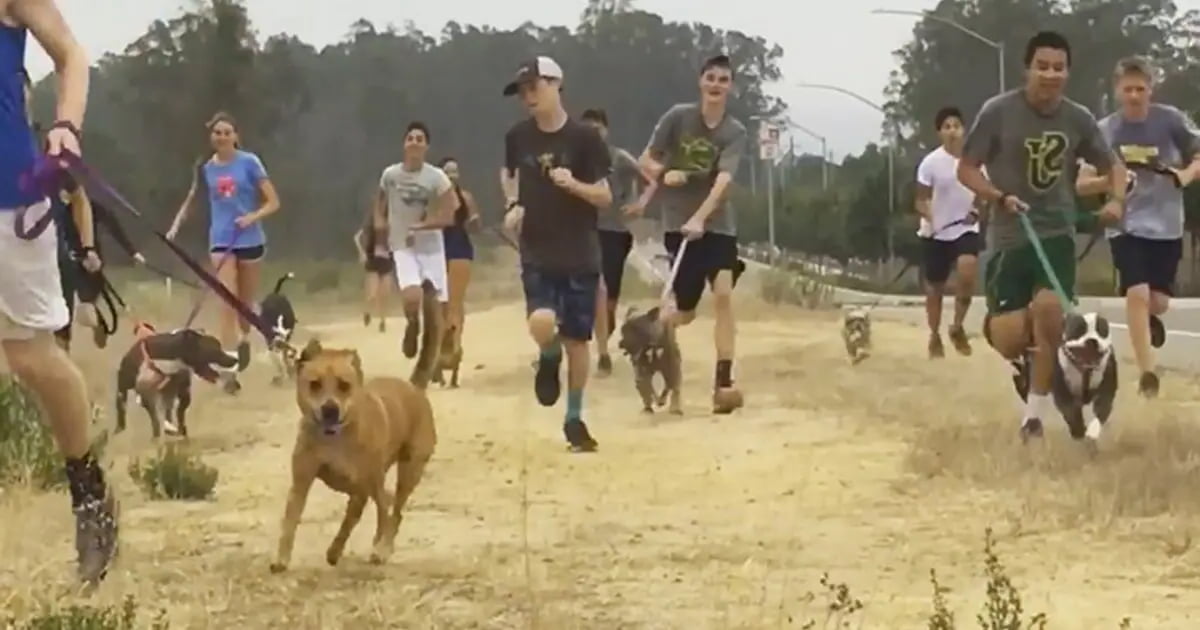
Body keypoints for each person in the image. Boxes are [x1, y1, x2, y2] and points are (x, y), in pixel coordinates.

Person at [957, 31, 1127, 442]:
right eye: (1043, 66)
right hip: (1010, 237)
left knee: (1050, 311)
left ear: (1068, 72)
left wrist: (1116, 201)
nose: (1050, 75)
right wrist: (996, 196)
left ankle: (1033, 418)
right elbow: (967, 168)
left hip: (1056, 235)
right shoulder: (998, 112)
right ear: (1027, 68)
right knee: (1014, 337)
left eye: (1059, 67)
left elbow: (1114, 165)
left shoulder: (1079, 118)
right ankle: (1026, 356)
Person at [1, 0, 117, 587]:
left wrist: (66, 125)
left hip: (12, 202)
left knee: (32, 358)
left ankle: (89, 495)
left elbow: (71, 54)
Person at [500, 56, 612, 452]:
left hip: (580, 253)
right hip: (537, 249)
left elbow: (605, 195)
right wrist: (512, 205)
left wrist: (575, 185)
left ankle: (574, 417)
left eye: (535, 87)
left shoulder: (585, 139)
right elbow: (509, 174)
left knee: (578, 341)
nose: (529, 97)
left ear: (556, 84)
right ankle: (548, 357)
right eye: (523, 91)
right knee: (542, 322)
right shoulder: (517, 137)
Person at [1076, 56, 1200, 398]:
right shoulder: (1105, 131)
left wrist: (1184, 176)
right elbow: (1082, 184)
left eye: (1140, 89)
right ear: (1117, 90)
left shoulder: (1171, 121)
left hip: (1167, 225)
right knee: (1137, 293)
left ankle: (1147, 320)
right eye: (1128, 89)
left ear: (1151, 90)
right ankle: (1148, 373)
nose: (1134, 96)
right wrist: (1111, 180)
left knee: (1157, 303)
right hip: (1127, 224)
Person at [639, 54, 748, 414]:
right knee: (682, 312)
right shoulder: (677, 117)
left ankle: (723, 379)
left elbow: (723, 182)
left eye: (724, 80)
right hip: (678, 226)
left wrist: (702, 217)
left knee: (723, 294)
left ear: (730, 87)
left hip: (717, 226)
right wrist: (664, 172)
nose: (717, 85)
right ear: (701, 82)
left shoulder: (735, 132)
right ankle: (653, 343)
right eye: (711, 78)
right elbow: (646, 160)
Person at [167, 112, 281, 394]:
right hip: (221, 241)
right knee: (227, 302)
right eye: (217, 132)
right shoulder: (206, 168)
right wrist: (174, 227)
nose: (222, 137)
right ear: (211, 136)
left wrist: (253, 217)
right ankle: (229, 370)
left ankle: (243, 340)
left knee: (244, 307)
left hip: (250, 238)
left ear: (236, 136)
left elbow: (274, 202)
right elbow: (192, 200)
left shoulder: (250, 162)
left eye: (227, 132)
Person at [374, 121, 456, 378]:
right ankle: (412, 324)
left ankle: (434, 355)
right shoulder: (390, 175)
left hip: (430, 246)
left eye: (420, 139)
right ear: (404, 144)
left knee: (439, 306)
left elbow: (449, 214)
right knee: (411, 296)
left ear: (426, 146)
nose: (415, 143)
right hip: (402, 245)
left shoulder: (437, 178)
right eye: (410, 138)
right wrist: (380, 235)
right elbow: (379, 206)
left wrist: (423, 225)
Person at [579, 107, 652, 376]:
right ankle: (600, 351)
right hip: (585, 230)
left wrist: (639, 205)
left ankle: (603, 342)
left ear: (606, 131)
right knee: (590, 290)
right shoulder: (576, 160)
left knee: (608, 300)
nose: (593, 134)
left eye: (597, 129)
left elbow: (650, 180)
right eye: (588, 129)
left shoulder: (619, 158)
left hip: (614, 232)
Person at [915, 106, 983, 359]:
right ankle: (934, 335)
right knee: (935, 288)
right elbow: (920, 200)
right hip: (936, 233)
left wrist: (976, 210)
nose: (953, 131)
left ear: (964, 130)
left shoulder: (975, 160)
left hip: (965, 228)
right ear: (940, 133)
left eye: (956, 125)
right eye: (947, 127)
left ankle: (958, 325)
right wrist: (930, 219)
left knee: (967, 270)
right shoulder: (930, 164)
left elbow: (983, 192)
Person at [437, 156, 481, 362]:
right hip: (447, 249)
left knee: (451, 302)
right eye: (449, 170)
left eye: (454, 171)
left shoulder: (462, 198)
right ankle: (451, 345)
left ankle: (451, 345)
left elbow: (474, 225)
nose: (452, 174)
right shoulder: (461, 197)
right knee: (447, 302)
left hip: (453, 248)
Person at [353, 205, 394, 333]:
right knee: (372, 293)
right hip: (373, 260)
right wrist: (362, 252)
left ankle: (383, 321)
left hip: (387, 261)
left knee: (385, 294)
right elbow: (357, 237)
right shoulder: (370, 224)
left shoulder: (392, 223)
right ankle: (367, 312)